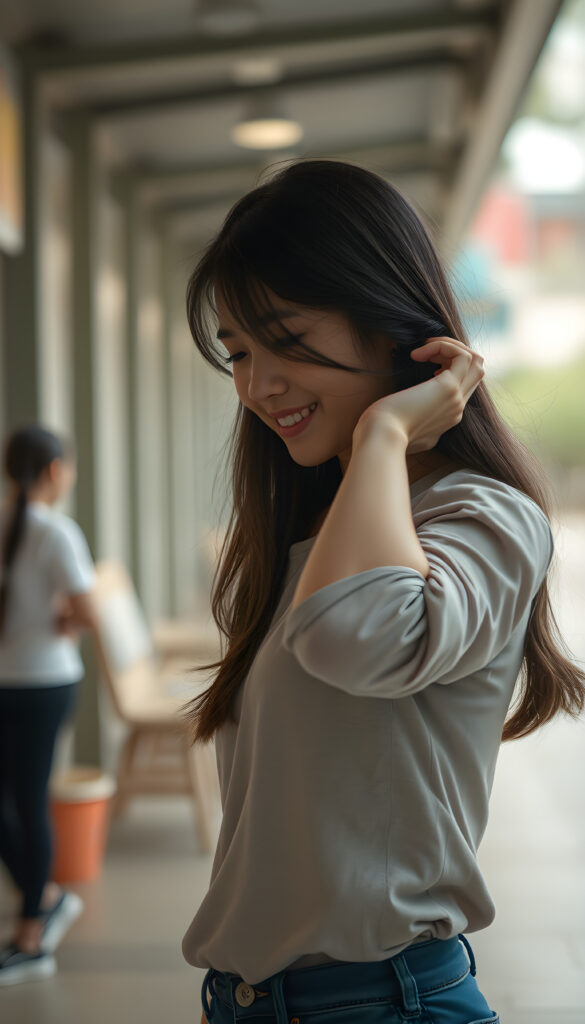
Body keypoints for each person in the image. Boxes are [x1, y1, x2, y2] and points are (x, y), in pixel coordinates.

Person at [180, 160, 585, 1024]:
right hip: (251, 1003)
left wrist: (387, 428)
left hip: (381, 1003)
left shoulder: (483, 516)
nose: (256, 388)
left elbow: (357, 636)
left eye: (284, 339)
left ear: (388, 323)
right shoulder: (317, 534)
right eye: (240, 355)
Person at [0, 425, 100, 987]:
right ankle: (44, 908)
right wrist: (62, 620)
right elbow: (89, 613)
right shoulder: (57, 533)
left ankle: (31, 929)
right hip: (45, 683)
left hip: (22, 686)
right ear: (56, 471)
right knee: (30, 802)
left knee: (20, 804)